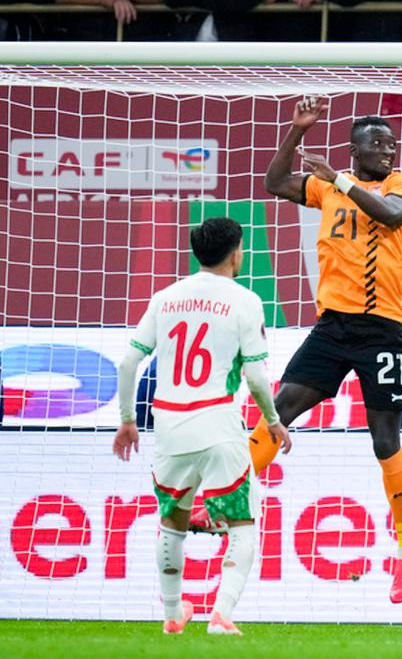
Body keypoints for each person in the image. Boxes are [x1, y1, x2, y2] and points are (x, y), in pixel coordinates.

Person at [256, 96, 402, 603]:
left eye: (391, 144)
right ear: (354, 150)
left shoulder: (401, 186)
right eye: (377, 144)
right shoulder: (325, 188)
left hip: (380, 330)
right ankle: (224, 501)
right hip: (331, 327)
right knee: (278, 410)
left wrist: (341, 179)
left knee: (383, 440)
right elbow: (274, 183)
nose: (388, 151)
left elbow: (392, 216)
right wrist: (296, 131)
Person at [111, 217, 288, 636]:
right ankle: (221, 615)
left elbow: (128, 362)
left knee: (172, 523)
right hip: (220, 425)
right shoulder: (245, 300)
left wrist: (126, 422)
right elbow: (257, 378)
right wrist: (276, 422)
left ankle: (173, 615)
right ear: (235, 253)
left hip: (170, 427)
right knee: (243, 526)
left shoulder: (165, 297)